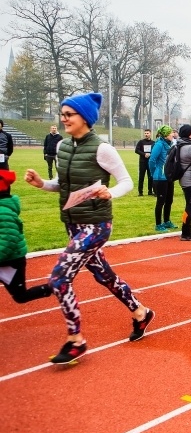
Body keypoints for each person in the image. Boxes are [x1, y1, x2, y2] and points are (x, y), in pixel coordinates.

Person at [24, 92, 155, 364]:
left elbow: (126, 182)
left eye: (69, 114)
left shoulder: (102, 148)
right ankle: (141, 312)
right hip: (72, 224)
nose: (64, 119)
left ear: (84, 117)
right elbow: (61, 183)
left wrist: (110, 193)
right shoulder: (62, 146)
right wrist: (41, 184)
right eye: (62, 114)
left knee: (59, 279)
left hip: (96, 225)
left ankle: (76, 340)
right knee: (103, 275)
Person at [0, 170, 53, 303]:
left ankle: (55, 287)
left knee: (21, 296)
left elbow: (8, 241)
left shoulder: (3, 212)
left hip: (11, 261)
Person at [148, 125, 176, 232]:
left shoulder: (170, 144)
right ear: (165, 135)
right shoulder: (159, 144)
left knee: (169, 200)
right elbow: (152, 160)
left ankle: (167, 221)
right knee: (161, 201)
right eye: (170, 133)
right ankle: (158, 224)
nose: (173, 134)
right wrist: (154, 173)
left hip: (169, 177)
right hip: (160, 178)